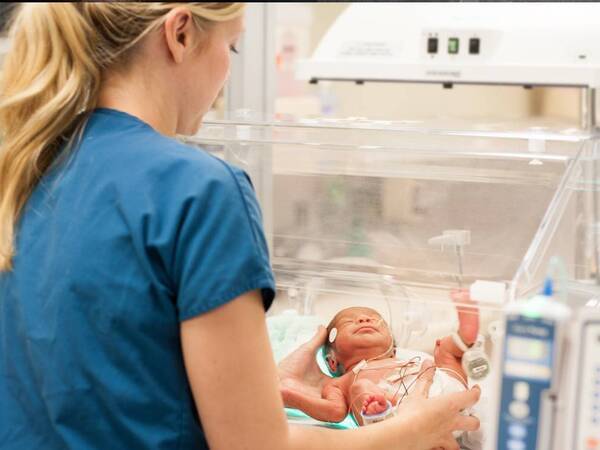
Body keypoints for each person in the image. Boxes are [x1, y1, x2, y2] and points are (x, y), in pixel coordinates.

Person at [0, 3, 480, 450]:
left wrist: (264, 382)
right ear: (181, 34)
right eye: (231, 47)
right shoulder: (197, 189)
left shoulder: (21, 164)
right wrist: (415, 428)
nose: (228, 74)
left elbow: (100, 370)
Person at [279, 290, 479, 427]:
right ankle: (380, 410)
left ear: (393, 348)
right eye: (350, 322)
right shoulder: (340, 384)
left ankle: (465, 336)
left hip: (450, 390)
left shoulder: (405, 359)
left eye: (375, 320)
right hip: (402, 417)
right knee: (361, 388)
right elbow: (334, 411)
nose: (364, 320)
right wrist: (291, 397)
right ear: (332, 361)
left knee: (445, 351)